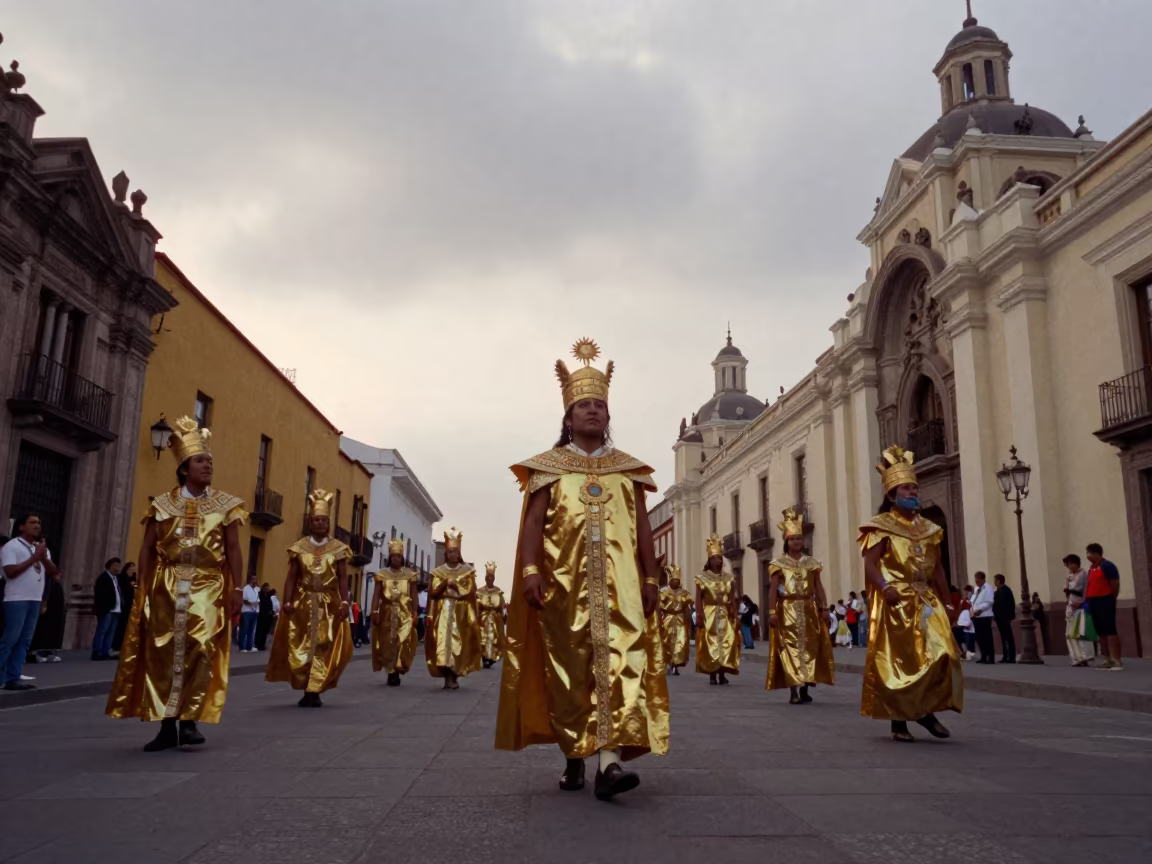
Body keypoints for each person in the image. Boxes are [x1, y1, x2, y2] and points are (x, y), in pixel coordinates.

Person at [496, 338, 668, 801]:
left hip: (623, 589)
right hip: (563, 588)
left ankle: (608, 763)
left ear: (608, 416)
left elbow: (644, 529)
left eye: (599, 405)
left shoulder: (629, 471)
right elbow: (533, 524)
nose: (592, 411)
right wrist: (531, 571)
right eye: (583, 405)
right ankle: (574, 756)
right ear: (568, 418)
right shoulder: (547, 469)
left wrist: (651, 577)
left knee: (622, 664)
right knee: (570, 671)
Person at [106, 416, 246, 751]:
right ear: (184, 468)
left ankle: (190, 720)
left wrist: (237, 588)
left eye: (209, 460)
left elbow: (234, 549)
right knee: (163, 653)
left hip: (209, 585)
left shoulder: (226, 506)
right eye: (200, 460)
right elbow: (146, 548)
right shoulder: (161, 505)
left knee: (201, 648)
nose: (207, 465)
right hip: (166, 586)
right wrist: (142, 587)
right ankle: (166, 724)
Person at [860, 446, 962, 743]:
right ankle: (900, 720)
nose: (912, 491)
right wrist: (884, 586)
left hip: (926, 599)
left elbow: (939, 569)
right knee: (902, 662)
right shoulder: (880, 528)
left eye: (914, 486)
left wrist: (949, 602)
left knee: (943, 653)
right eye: (906, 487)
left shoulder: (931, 529)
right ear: (892, 495)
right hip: (896, 600)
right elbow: (870, 563)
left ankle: (925, 709)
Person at [265, 489, 354, 707]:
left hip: (328, 604)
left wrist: (344, 601)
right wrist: (287, 600)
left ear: (329, 523)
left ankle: (315, 689)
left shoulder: (339, 549)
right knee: (302, 646)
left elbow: (343, 578)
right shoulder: (299, 548)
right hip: (303, 603)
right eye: (316, 520)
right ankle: (306, 687)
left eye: (324, 520)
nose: (320, 523)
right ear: (310, 523)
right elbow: (291, 577)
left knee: (322, 645)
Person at [765, 507, 833, 704]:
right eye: (793, 539)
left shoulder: (812, 563)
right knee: (790, 647)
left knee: (809, 648)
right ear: (787, 541)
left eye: (799, 538)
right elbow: (773, 590)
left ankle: (805, 687)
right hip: (787, 610)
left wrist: (825, 608)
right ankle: (794, 689)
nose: (796, 542)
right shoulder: (778, 564)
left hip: (809, 609)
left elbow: (819, 587)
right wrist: (771, 612)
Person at [0, 514, 59, 690]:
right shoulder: (12, 546)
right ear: (21, 527)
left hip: (34, 599)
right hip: (16, 598)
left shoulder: (41, 549)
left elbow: (54, 573)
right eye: (32, 522)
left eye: (39, 523)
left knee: (25, 641)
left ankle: (13, 677)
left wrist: (43, 557)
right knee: (10, 639)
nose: (37, 526)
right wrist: (34, 559)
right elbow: (10, 572)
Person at [425, 527, 482, 689]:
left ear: (459, 553)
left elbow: (471, 591)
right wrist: (444, 583)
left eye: (455, 551)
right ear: (445, 553)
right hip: (443, 611)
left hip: (461, 611)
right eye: (449, 551)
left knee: (458, 644)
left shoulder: (467, 572)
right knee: (443, 643)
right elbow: (433, 593)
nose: (452, 554)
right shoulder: (438, 572)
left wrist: (456, 586)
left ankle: (455, 674)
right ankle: (448, 676)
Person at [371, 539, 419, 686]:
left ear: (402, 557)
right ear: (390, 557)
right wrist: (374, 610)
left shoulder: (410, 575)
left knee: (402, 642)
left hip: (404, 614)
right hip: (387, 613)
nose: (396, 559)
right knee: (388, 643)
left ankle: (398, 667)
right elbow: (377, 595)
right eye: (393, 556)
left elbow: (414, 595)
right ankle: (391, 672)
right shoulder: (382, 574)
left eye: (398, 556)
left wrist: (415, 612)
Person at [696, 534, 741, 685]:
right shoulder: (702, 578)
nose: (718, 561)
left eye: (720, 558)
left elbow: (732, 598)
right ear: (709, 560)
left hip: (725, 613)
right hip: (710, 614)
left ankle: (722, 672)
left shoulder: (729, 578)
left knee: (726, 643)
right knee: (711, 644)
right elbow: (698, 598)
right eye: (715, 558)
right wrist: (700, 614)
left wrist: (735, 614)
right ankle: (712, 673)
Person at [1085, 543, 1122, 670]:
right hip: (1093, 601)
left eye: (1089, 553)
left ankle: (1116, 659)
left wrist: (1112, 598)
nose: (1088, 556)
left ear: (1097, 553)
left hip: (1105, 600)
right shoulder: (1091, 568)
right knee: (1101, 632)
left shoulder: (1107, 566)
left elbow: (1114, 583)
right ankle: (1106, 659)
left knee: (1110, 630)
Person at [1062, 554, 1094, 666]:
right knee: (1069, 633)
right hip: (1071, 606)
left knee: (1080, 632)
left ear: (1075, 563)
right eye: (1067, 565)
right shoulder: (1070, 576)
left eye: (1069, 564)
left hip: (1080, 606)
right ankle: (1076, 657)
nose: (1068, 567)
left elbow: (1080, 590)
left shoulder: (1083, 574)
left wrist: (1068, 588)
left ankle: (1085, 656)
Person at [659, 566, 692, 675]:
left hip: (680, 619)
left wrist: (688, 621)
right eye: (674, 580)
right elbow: (659, 607)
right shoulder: (663, 592)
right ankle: (668, 662)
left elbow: (687, 607)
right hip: (668, 618)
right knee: (667, 641)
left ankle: (676, 664)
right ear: (670, 580)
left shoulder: (684, 593)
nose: (676, 582)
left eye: (678, 580)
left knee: (680, 641)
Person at [30, 568, 66, 664]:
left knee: (52, 634)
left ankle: (48, 652)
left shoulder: (56, 585)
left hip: (55, 613)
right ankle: (37, 654)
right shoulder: (46, 584)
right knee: (42, 634)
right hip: (46, 612)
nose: (58, 576)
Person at [91, 557, 124, 661]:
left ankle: (106, 651)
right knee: (102, 630)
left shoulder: (116, 579)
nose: (118, 568)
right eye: (116, 565)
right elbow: (100, 594)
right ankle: (97, 652)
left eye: (119, 565)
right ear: (110, 566)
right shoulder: (103, 578)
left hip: (116, 609)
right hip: (107, 609)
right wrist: (105, 606)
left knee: (111, 632)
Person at [477, 562, 507, 669]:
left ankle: (491, 657)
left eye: (492, 577)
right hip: (483, 619)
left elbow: (502, 607)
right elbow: (477, 607)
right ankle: (485, 657)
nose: (490, 579)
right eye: (488, 577)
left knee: (493, 639)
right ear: (485, 578)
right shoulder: (479, 592)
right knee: (483, 638)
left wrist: (504, 617)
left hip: (495, 619)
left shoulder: (498, 592)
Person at [970, 571, 995, 664]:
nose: (976, 582)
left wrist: (980, 610)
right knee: (979, 637)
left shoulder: (988, 588)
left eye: (978, 580)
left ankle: (990, 657)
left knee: (986, 637)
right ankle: (983, 656)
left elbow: (989, 602)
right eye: (975, 580)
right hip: (976, 616)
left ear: (982, 579)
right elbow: (973, 600)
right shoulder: (978, 589)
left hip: (984, 615)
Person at [113, 562, 138, 651]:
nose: (132, 570)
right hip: (122, 605)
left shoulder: (133, 578)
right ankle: (115, 646)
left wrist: (134, 585)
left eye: (133, 569)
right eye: (130, 569)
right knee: (119, 626)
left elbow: (137, 588)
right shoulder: (121, 578)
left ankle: (123, 646)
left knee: (126, 627)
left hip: (130, 605)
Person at [993, 574, 1016, 663]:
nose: (994, 582)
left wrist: (1009, 617)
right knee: (1004, 637)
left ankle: (1010, 657)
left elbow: (1010, 605)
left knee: (1008, 637)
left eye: (995, 580)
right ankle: (1006, 656)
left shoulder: (1005, 591)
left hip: (1004, 618)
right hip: (1000, 618)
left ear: (999, 581)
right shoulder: (999, 591)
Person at [239, 574, 260, 653]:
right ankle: (242, 647)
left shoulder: (256, 589)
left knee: (251, 630)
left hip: (254, 611)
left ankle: (249, 646)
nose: (255, 581)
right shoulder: (246, 588)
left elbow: (258, 600)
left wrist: (256, 607)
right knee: (244, 629)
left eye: (256, 579)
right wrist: (251, 604)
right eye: (254, 579)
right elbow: (244, 599)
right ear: (250, 580)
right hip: (246, 611)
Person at [255, 582, 274, 651]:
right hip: (261, 615)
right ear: (263, 588)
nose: (267, 589)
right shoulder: (260, 595)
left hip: (268, 616)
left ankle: (263, 644)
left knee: (265, 631)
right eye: (266, 588)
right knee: (260, 630)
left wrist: (271, 612)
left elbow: (273, 592)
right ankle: (258, 644)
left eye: (268, 588)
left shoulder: (268, 596)